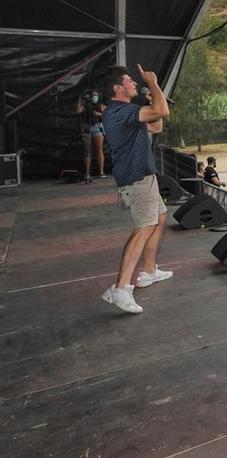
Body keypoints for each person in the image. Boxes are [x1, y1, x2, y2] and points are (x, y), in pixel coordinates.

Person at [98, 64, 172, 315]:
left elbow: (157, 125)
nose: (133, 84)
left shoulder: (127, 113)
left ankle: (149, 271)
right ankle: (120, 288)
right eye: (129, 81)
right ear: (118, 88)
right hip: (137, 179)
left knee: (159, 219)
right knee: (143, 229)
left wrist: (153, 100)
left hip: (144, 178)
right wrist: (153, 83)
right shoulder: (119, 112)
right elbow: (163, 110)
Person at [76, 88, 106, 179]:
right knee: (87, 151)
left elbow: (108, 113)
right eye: (93, 95)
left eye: (96, 95)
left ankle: (101, 171)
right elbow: (78, 110)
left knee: (99, 149)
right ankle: (87, 172)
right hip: (86, 126)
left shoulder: (100, 105)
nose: (94, 97)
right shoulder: (85, 105)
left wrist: (99, 114)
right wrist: (80, 99)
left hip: (97, 126)